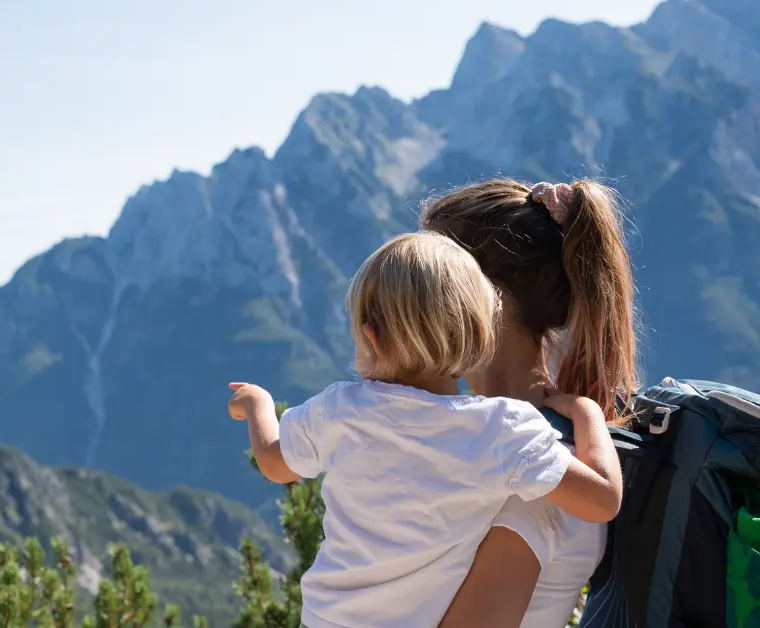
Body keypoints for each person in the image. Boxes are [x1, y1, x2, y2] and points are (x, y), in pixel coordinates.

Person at [227, 230, 624, 628]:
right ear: (478, 332)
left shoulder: (340, 410)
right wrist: (586, 412)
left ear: (371, 338)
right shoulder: (501, 430)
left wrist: (258, 404)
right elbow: (603, 499)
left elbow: (276, 464)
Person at [422, 179, 638, 628]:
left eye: (431, 277)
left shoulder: (533, 470)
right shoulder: (520, 442)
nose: (413, 299)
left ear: (487, 297)